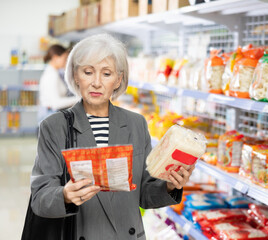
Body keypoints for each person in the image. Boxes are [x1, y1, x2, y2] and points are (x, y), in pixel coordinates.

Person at [30, 34, 195, 240]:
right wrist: (64, 195)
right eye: (88, 72)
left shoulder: (136, 124)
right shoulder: (54, 127)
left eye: (106, 74)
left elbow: (144, 194)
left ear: (118, 79)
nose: (96, 83)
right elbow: (39, 198)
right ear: (75, 75)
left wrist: (170, 185)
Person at [38, 44, 78, 124]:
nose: (66, 61)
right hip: (50, 117)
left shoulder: (54, 73)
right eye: (65, 58)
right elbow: (56, 103)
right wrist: (80, 99)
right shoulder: (51, 76)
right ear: (55, 57)